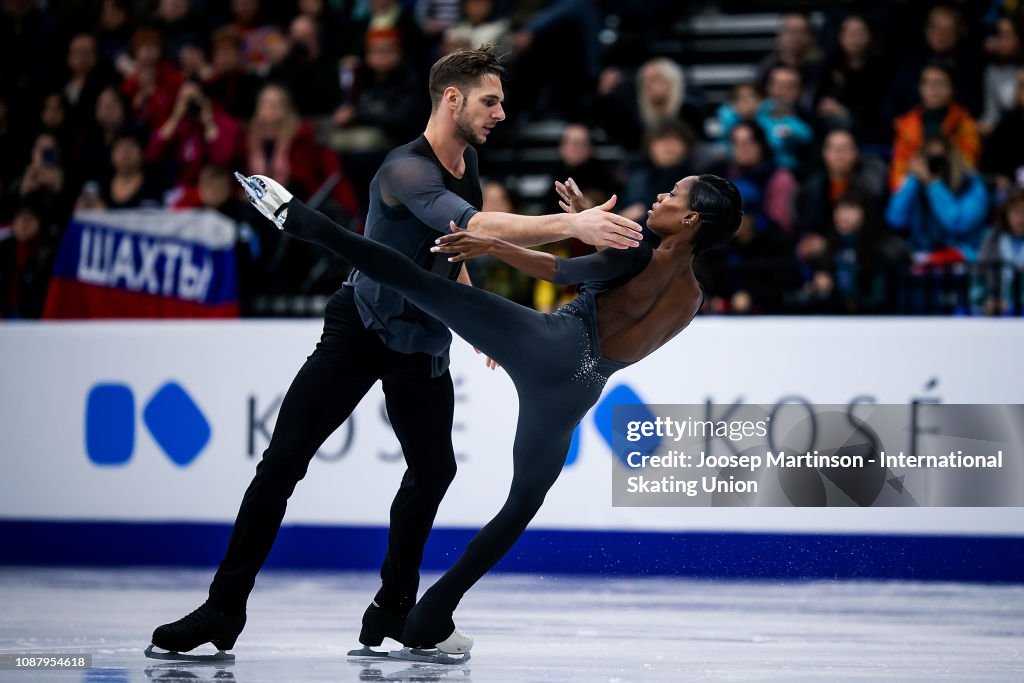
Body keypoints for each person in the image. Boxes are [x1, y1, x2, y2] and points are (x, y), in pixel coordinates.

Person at [148, 46, 642, 662]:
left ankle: (390, 609)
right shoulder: (404, 170)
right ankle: (223, 609)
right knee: (282, 463)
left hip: (422, 343)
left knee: (434, 470)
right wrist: (577, 228)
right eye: (491, 101)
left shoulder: (468, 161)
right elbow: (476, 225)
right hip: (359, 327)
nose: (502, 113)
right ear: (452, 99)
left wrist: (477, 322)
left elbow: (454, 247)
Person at [237, 168, 740, 658]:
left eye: (673, 195)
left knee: (419, 283)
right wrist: (590, 226)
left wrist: (492, 246)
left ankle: (305, 222)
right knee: (521, 506)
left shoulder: (636, 253)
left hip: (551, 345)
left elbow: (561, 272)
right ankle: (433, 612)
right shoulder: (692, 297)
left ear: (692, 219)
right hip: (580, 389)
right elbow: (623, 296)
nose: (659, 197)